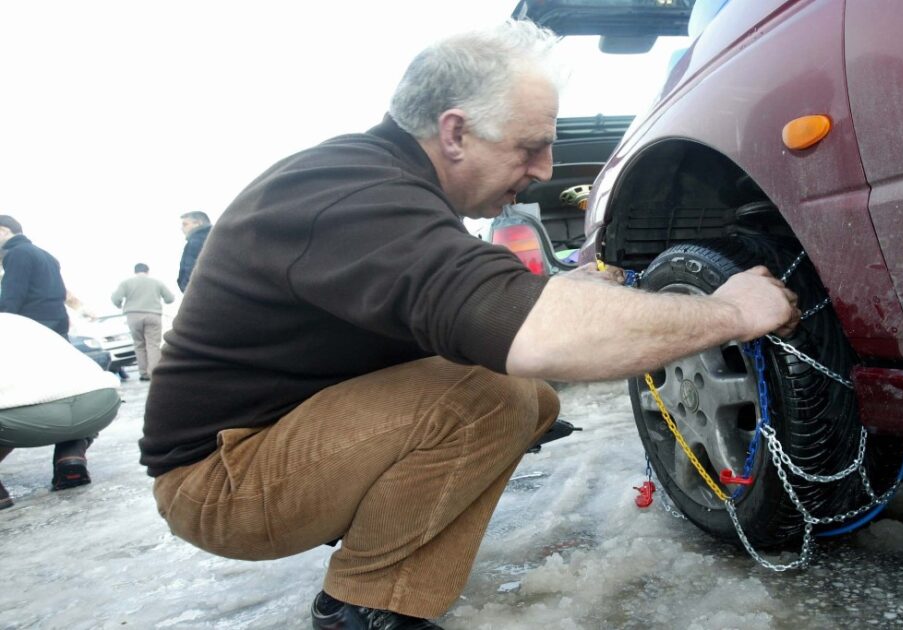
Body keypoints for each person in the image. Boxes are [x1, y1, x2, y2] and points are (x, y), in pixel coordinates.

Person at [140, 21, 798, 630]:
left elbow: (472, 314)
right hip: (221, 479)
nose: (542, 170)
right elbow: (535, 336)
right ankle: (364, 609)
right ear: (453, 133)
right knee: (493, 400)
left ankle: (381, 582)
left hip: (274, 442)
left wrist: (557, 294)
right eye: (530, 147)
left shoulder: (382, 185)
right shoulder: (350, 191)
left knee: (524, 401)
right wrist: (733, 312)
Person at [0, 314, 121, 509]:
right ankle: (70, 456)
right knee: (66, 399)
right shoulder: (18, 321)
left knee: (18, 407)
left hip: (32, 417)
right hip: (100, 402)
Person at [0, 215, 69, 337]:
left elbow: (12, 295)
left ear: (3, 231)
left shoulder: (17, 253)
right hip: (59, 320)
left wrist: (4, 320)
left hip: (35, 323)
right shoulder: (45, 254)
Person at [111, 263, 176, 381]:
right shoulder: (157, 282)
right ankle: (154, 372)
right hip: (153, 315)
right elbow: (170, 298)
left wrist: (119, 304)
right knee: (153, 345)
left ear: (135, 271)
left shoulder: (126, 283)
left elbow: (116, 298)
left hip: (133, 316)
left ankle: (143, 373)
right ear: (147, 271)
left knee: (139, 344)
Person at [176, 210, 211, 292]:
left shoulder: (196, 241)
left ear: (198, 223)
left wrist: (186, 290)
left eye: (185, 224)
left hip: (199, 294)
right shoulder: (215, 239)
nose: (182, 228)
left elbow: (190, 270)